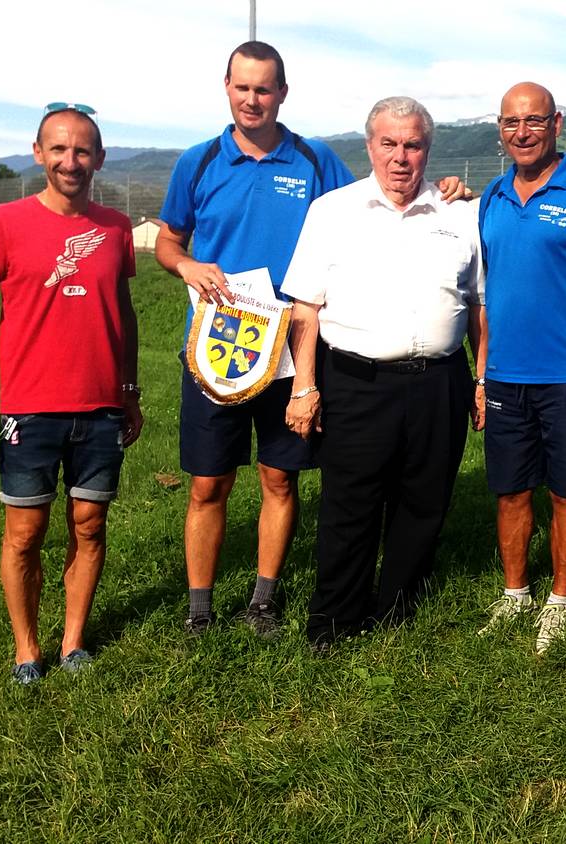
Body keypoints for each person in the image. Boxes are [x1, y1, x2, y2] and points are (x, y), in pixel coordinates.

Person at [155, 41, 354, 637]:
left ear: (282, 93)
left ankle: (264, 601)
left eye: (263, 88)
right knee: (207, 484)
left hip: (290, 351)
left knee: (279, 477)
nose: (252, 99)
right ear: (226, 87)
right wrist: (186, 265)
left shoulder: (315, 160)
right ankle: (199, 609)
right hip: (214, 349)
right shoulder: (198, 161)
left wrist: (441, 192)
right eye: (242, 87)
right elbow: (168, 240)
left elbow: (367, 209)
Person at [281, 96, 486, 650]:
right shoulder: (333, 211)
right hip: (356, 382)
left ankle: (398, 611)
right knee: (350, 505)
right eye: (389, 143)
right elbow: (305, 309)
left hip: (439, 382)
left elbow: (478, 306)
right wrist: (304, 387)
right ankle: (333, 621)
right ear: (370, 146)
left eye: (412, 145)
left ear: (428, 150)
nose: (400, 157)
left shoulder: (459, 216)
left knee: (424, 502)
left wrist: (481, 380)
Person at [0, 104, 141, 683]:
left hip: (101, 408)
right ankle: (26, 650)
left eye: (82, 150)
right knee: (24, 534)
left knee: (89, 525)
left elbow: (124, 316)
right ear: (39, 153)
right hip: (28, 409)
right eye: (58, 149)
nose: (70, 160)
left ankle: (74, 641)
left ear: (99, 158)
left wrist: (130, 392)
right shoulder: (4, 221)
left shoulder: (116, 228)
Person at [476, 82, 566, 654]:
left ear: (556, 124)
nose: (522, 132)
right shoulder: (491, 196)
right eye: (511, 122)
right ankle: (515, 593)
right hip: (506, 374)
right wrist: (482, 375)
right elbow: (488, 293)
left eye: (534, 121)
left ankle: (559, 600)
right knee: (510, 491)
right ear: (500, 129)